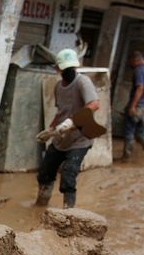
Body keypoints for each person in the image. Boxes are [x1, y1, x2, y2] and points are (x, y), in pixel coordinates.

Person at [34, 49, 101, 208]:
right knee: (45, 172)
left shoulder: (82, 82)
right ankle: (40, 205)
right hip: (61, 138)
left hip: (80, 139)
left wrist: (72, 122)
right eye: (64, 68)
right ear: (57, 68)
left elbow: (94, 104)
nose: (68, 71)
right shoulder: (59, 86)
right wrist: (50, 130)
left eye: (70, 68)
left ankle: (68, 213)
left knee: (69, 174)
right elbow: (61, 111)